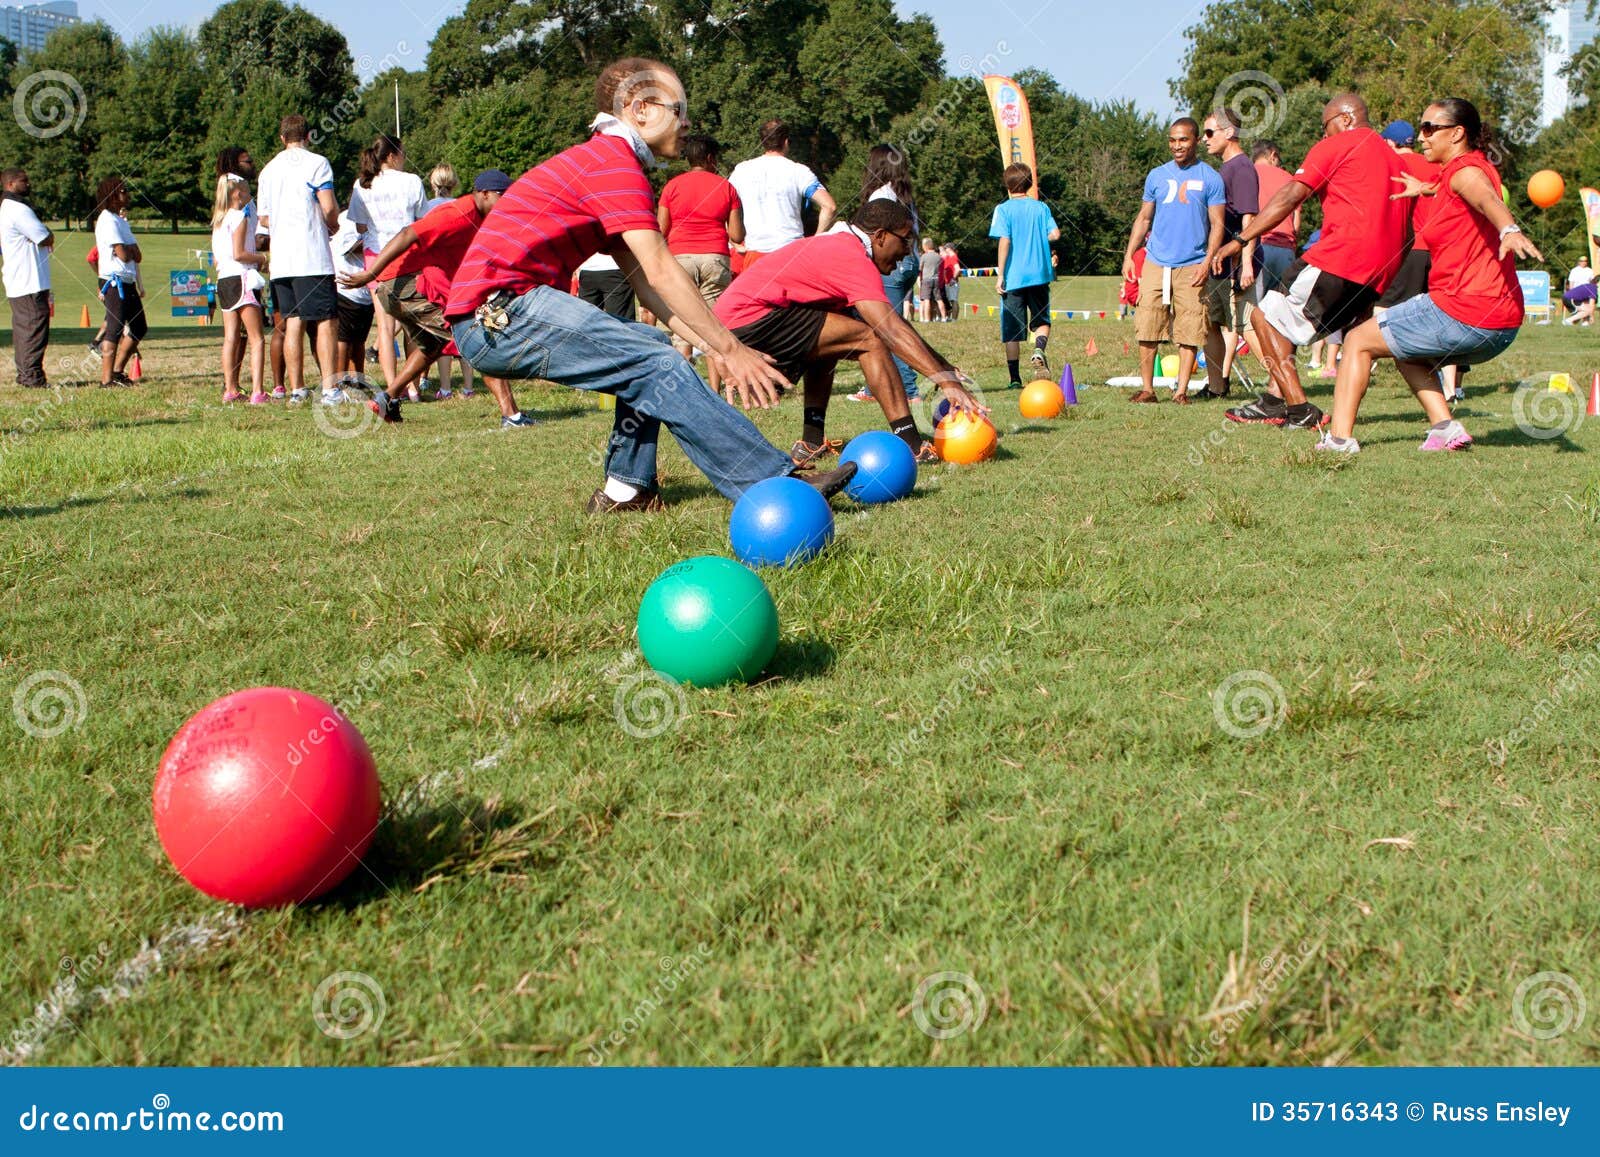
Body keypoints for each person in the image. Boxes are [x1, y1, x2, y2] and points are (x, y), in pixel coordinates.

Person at [446, 57, 856, 513]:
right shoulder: (611, 163)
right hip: (498, 314)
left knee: (647, 345)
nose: (687, 123)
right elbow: (661, 268)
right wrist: (731, 351)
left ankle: (627, 490)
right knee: (657, 363)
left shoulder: (606, 163)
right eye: (678, 109)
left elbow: (647, 287)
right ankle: (772, 484)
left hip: (498, 315)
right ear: (640, 109)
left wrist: (721, 346)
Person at [1318, 98, 1540, 454]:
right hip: (1502, 324)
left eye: (1429, 128)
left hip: (1465, 311)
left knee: (1357, 341)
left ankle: (1339, 440)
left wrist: (1509, 228)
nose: (1421, 136)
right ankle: (1445, 427)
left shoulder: (1467, 172)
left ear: (1457, 133)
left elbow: (1485, 199)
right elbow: (1456, 190)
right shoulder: (1460, 170)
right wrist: (1424, 189)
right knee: (1404, 347)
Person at [712, 199, 983, 467]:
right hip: (747, 320)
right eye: (905, 240)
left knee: (834, 338)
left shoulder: (841, 246)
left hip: (735, 321)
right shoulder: (850, 256)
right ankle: (911, 444)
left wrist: (944, 367)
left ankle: (811, 441)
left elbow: (895, 323)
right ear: (880, 236)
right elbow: (888, 330)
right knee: (870, 339)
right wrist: (947, 383)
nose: (906, 252)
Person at [1214, 93, 1407, 430]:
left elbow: (1292, 195)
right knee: (1304, 325)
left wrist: (1242, 239)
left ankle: (1299, 408)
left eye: (1325, 125)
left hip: (1340, 257)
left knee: (1263, 316)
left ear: (1345, 120)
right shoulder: (1395, 159)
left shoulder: (1340, 144)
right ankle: (1274, 399)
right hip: (1380, 271)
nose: (1323, 134)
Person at [342, 169, 527, 427]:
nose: (506, 201)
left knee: (432, 346)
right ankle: (512, 415)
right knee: (475, 336)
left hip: (406, 285)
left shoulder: (479, 218)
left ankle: (387, 398)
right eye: (502, 195)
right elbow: (407, 233)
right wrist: (370, 272)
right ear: (484, 194)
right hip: (403, 284)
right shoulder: (457, 214)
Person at [1123, 119, 1225, 403]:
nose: (1177, 146)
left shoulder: (1211, 178)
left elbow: (1218, 224)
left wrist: (1207, 261)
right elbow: (1144, 218)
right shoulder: (1156, 175)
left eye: (1183, 140)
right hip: (1156, 260)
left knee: (1190, 328)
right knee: (1148, 323)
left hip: (1193, 263)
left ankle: (1181, 391)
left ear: (1195, 141)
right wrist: (1129, 255)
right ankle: (1148, 389)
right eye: (1172, 140)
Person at [257, 114, 341, 404]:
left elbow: (264, 218)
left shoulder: (267, 171)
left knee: (293, 322)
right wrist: (332, 223)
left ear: (282, 138)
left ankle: (297, 389)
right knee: (326, 321)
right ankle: (330, 389)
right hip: (311, 255)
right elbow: (329, 206)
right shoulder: (317, 163)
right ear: (307, 136)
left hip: (282, 260)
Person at [657, 133, 742, 395]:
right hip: (715, 258)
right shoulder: (726, 187)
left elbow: (660, 228)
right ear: (710, 158)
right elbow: (737, 236)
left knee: (682, 323)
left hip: (680, 258)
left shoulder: (672, 186)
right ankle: (716, 391)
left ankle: (683, 392)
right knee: (715, 325)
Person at [350, 135, 427, 400]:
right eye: (403, 153)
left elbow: (359, 226)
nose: (404, 158)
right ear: (392, 155)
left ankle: (393, 387)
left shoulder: (362, 184)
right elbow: (422, 221)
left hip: (375, 257)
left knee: (384, 327)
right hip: (406, 255)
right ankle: (413, 386)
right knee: (412, 323)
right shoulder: (412, 181)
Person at [848, 144, 923, 404]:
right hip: (910, 262)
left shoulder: (880, 195)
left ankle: (911, 391)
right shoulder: (905, 196)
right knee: (886, 325)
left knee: (889, 328)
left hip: (891, 265)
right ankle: (873, 389)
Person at [1197, 108, 1258, 400]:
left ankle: (1280, 387)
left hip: (1236, 264)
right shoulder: (1224, 169)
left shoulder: (1242, 168)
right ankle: (1217, 386)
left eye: (1209, 133)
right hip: (1218, 264)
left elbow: (1250, 221)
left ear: (1229, 133)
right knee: (1212, 324)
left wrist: (1246, 263)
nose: (1204, 139)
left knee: (1248, 327)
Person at [727, 119, 836, 268]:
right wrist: (814, 241)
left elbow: (723, 206)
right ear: (786, 142)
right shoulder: (799, 171)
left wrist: (734, 242)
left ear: (762, 141)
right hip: (792, 254)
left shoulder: (742, 170)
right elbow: (829, 207)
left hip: (755, 254)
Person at [991, 163, 1061, 387]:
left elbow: (1005, 240)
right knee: (1042, 320)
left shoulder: (1003, 210)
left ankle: (1014, 379)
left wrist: (1001, 274)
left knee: (1012, 330)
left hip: (1014, 277)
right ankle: (1039, 349)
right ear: (1030, 184)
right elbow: (1055, 234)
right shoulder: (1041, 208)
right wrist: (1040, 239)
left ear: (1007, 185)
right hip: (1039, 275)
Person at [210, 174, 268, 403]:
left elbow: (217, 259)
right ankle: (258, 391)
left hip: (224, 280)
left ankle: (230, 388)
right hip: (242, 277)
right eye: (246, 190)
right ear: (237, 194)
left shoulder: (218, 221)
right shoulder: (239, 217)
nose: (250, 194)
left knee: (230, 337)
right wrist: (262, 258)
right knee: (256, 338)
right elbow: (239, 253)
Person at [1, 168, 53, 389]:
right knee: (34, 328)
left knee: (25, 329)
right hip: (29, 280)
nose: (29, 184)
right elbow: (44, 237)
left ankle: (26, 376)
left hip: (18, 280)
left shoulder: (6, 208)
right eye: (24, 181)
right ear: (11, 184)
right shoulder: (18, 209)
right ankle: (32, 378)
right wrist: (48, 233)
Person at [425, 162, 473, 397]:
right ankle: (468, 386)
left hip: (436, 270)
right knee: (464, 325)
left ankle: (445, 387)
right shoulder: (462, 207)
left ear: (433, 184)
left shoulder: (427, 208)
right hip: (460, 270)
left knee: (441, 329)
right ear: (454, 183)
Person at [92, 177, 145, 388]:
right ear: (112, 195)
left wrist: (128, 251)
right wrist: (127, 251)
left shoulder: (121, 221)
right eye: (123, 191)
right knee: (114, 329)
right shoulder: (107, 220)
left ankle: (117, 371)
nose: (127, 194)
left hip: (127, 279)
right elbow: (124, 254)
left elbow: (137, 255)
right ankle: (106, 380)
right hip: (114, 282)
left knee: (139, 327)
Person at [329, 211, 374, 389]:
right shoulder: (347, 218)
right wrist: (377, 240)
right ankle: (340, 382)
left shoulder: (369, 216)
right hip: (346, 287)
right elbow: (348, 249)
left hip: (364, 290)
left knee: (359, 340)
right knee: (344, 339)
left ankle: (358, 380)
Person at [1251, 141, 1299, 297]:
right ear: (1272, 155)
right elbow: (1296, 223)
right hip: (1286, 249)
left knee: (1253, 306)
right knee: (1279, 310)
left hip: (1258, 246)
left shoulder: (1248, 174)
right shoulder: (1289, 178)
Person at [917, 239, 943, 323]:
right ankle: (944, 317)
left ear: (925, 246)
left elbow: (920, 268)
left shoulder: (924, 256)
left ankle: (927, 319)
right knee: (938, 299)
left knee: (926, 299)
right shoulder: (938, 256)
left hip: (926, 280)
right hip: (936, 279)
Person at [1118, 245, 1146, 320]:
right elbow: (1139, 277)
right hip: (1135, 294)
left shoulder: (1138, 253)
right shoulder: (1140, 254)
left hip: (1133, 293)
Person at [1563, 256, 1594, 324]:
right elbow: (1571, 283)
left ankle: (1585, 323)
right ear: (1579, 262)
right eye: (1582, 261)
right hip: (1577, 293)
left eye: (1585, 261)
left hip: (1586, 293)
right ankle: (1569, 321)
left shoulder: (1590, 271)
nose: (1584, 262)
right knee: (1581, 310)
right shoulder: (1574, 270)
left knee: (1587, 307)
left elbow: (1591, 282)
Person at [941, 244, 961, 317]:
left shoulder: (953, 257)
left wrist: (953, 279)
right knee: (950, 301)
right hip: (948, 283)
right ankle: (950, 318)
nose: (945, 250)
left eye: (946, 249)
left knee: (953, 300)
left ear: (949, 249)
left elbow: (957, 269)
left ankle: (954, 319)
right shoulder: (949, 257)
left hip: (952, 283)